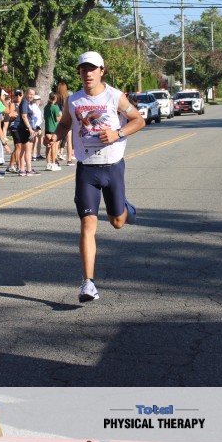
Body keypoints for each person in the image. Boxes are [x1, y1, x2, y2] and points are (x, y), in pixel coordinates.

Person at [47, 51, 146, 303]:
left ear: (102, 71)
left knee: (117, 222)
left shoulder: (114, 96)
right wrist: (55, 136)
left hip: (112, 167)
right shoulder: (74, 100)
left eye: (92, 69)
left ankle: (126, 208)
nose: (87, 73)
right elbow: (65, 124)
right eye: (83, 69)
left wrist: (117, 133)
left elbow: (138, 120)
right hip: (87, 170)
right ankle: (88, 283)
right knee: (87, 224)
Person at [44, 91, 62, 171]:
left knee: (48, 146)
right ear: (55, 98)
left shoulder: (46, 107)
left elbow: (45, 118)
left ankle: (48, 163)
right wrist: (61, 116)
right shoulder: (55, 107)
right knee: (54, 146)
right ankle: (54, 163)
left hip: (47, 128)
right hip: (54, 128)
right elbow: (57, 119)